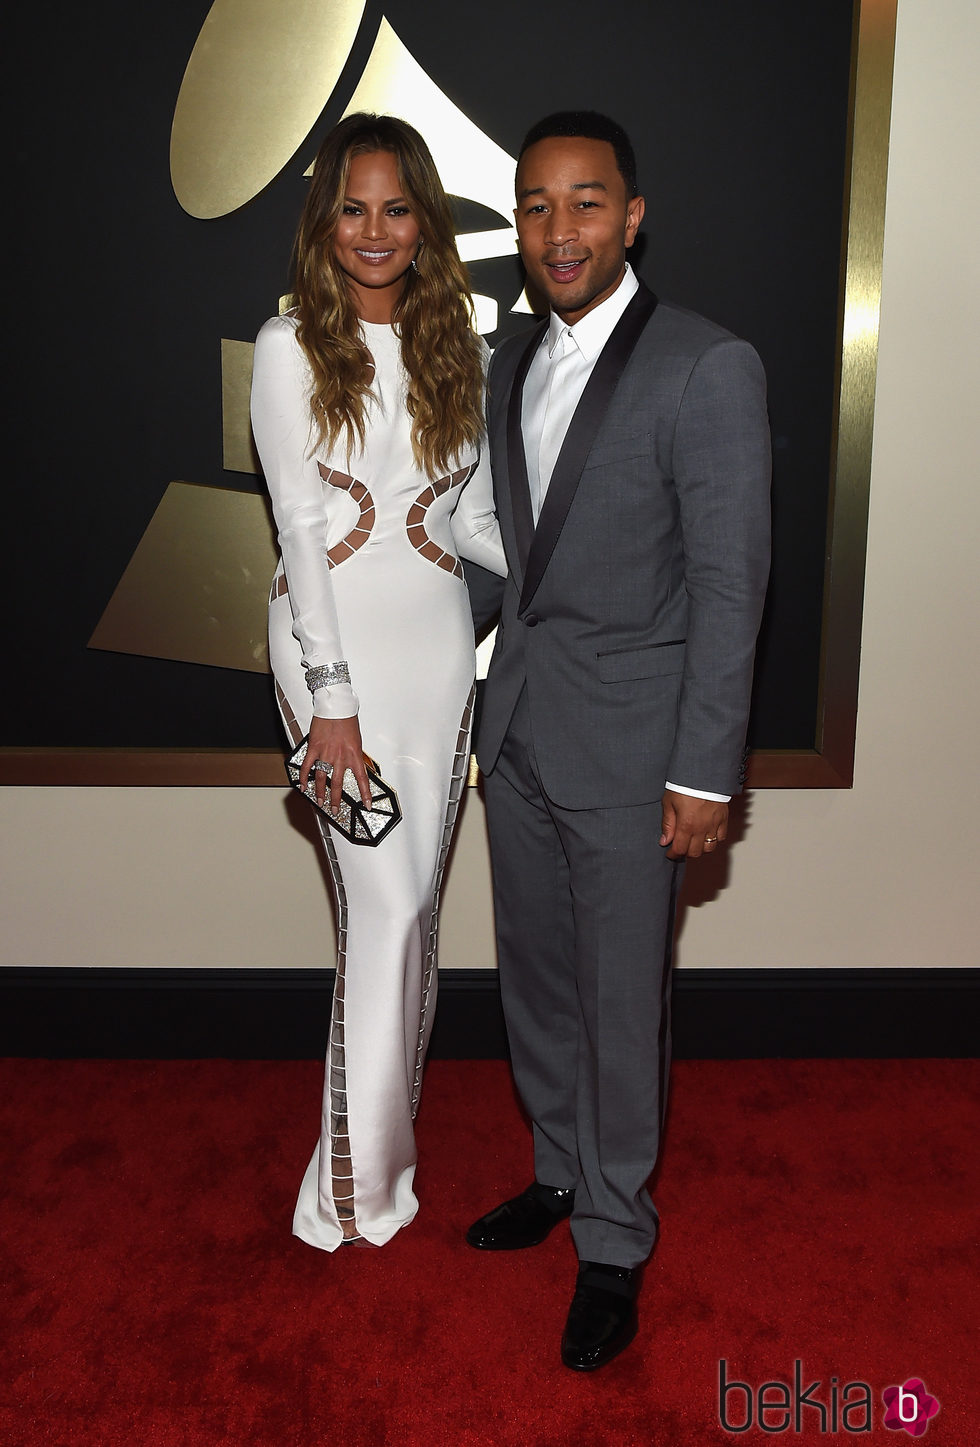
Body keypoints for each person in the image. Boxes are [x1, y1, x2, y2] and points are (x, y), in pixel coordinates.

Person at [463, 111, 771, 1369]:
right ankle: (554, 1168)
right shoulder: (510, 360)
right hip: (525, 729)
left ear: (631, 216)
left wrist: (703, 772)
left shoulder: (707, 365)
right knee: (534, 977)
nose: (557, 230)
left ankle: (612, 1234)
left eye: (583, 203)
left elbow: (729, 585)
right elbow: (513, 559)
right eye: (534, 206)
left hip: (640, 750)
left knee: (616, 1001)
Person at [250, 113, 505, 1251]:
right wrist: (331, 701)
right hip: (335, 661)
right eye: (352, 207)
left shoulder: (465, 346)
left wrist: (603, 566)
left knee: (414, 922)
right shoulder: (287, 343)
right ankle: (351, 1194)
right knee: (385, 911)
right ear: (323, 220)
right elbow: (300, 534)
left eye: (395, 207)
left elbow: (479, 523)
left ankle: (370, 1166)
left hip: (440, 651)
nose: (373, 229)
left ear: (424, 219)